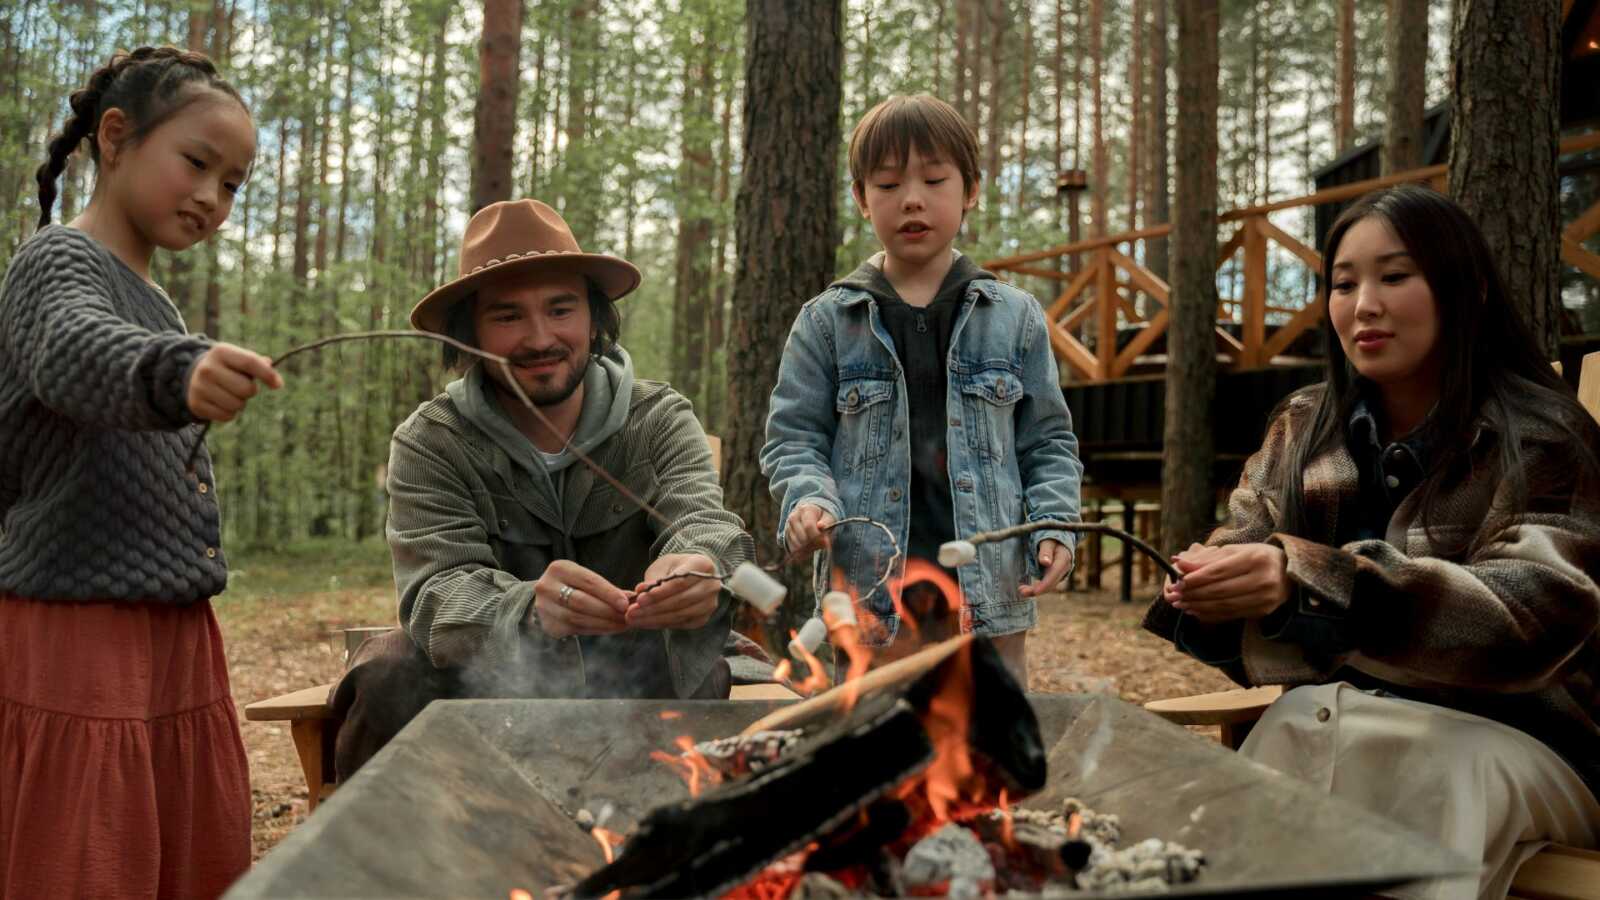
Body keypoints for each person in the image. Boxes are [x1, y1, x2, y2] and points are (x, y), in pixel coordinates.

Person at [1145, 185, 1600, 900]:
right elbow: (1249, 543)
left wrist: (1314, 581)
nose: (1365, 305)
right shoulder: (1304, 429)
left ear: (1467, 289)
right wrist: (1218, 585)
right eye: (1343, 283)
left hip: (1525, 742)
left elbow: (1530, 620)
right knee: (1296, 732)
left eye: (1395, 276)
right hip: (1340, 718)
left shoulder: (1542, 437)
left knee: (1436, 763)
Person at [330, 199, 754, 779]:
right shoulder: (431, 441)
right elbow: (436, 592)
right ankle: (409, 860)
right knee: (387, 676)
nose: (540, 338)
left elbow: (704, 520)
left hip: (637, 673)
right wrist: (528, 612)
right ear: (470, 332)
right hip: (485, 693)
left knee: (697, 665)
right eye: (507, 317)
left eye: (561, 309)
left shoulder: (658, 418)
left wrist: (702, 564)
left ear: (593, 317)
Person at [0, 46, 282, 899]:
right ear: (115, 138)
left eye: (232, 184)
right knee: (90, 856)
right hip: (81, 632)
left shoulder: (153, 297)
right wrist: (175, 372)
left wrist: (174, 356)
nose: (211, 196)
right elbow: (70, 349)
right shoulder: (55, 262)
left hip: (169, 632)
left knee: (179, 851)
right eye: (197, 163)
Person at [761, 95, 1083, 684]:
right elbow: (794, 437)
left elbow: (1049, 443)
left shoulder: (1016, 317)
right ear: (861, 198)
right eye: (887, 184)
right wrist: (809, 500)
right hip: (868, 597)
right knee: (872, 751)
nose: (912, 198)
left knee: (988, 753)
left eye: (934, 179)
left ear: (970, 190)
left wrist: (1055, 524)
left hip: (987, 598)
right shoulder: (826, 322)